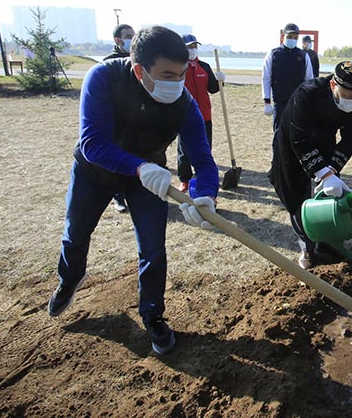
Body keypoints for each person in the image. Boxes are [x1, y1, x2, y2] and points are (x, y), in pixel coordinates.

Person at [47, 26, 220, 356]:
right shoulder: (103, 78)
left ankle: (153, 316)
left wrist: (206, 195)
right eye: (167, 74)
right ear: (139, 69)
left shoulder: (184, 103)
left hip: (147, 178)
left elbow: (204, 160)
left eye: (181, 74)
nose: (177, 83)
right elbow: (93, 143)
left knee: (153, 249)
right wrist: (139, 167)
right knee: (76, 232)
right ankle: (70, 279)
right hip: (94, 171)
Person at [269, 62, 352, 269]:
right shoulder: (307, 94)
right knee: (297, 198)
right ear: (333, 84)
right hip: (291, 143)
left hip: (325, 142)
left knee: (330, 198)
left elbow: (351, 139)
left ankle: (328, 245)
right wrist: (322, 173)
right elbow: (298, 139)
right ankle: (307, 246)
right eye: (349, 96)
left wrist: (331, 170)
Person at [176, 34, 222, 193]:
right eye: (189, 47)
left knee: (205, 148)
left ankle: (202, 178)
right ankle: (185, 179)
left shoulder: (204, 66)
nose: (193, 50)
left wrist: (220, 80)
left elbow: (213, 89)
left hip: (205, 114)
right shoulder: (178, 67)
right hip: (184, 114)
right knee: (184, 150)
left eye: (195, 46)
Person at [103, 24, 137, 213]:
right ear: (118, 40)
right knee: (117, 158)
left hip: (135, 117)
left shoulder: (139, 59)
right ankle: (118, 197)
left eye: (133, 35)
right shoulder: (109, 64)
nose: (131, 38)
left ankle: (134, 193)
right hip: (117, 118)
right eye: (127, 36)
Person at [262, 23, 314, 131]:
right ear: (283, 36)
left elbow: (309, 80)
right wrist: (267, 101)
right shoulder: (273, 54)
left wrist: (309, 100)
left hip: (298, 102)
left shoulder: (303, 55)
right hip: (280, 102)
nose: (292, 39)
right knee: (279, 133)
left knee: (296, 133)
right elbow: (266, 78)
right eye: (289, 37)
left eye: (295, 37)